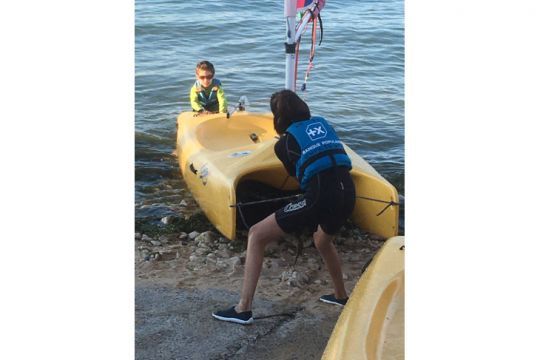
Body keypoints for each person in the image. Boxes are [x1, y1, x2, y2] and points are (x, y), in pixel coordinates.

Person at [212, 89, 356, 325]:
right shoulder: (322, 123)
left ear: (278, 118)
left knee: (256, 234)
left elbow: (299, 177)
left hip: (320, 197)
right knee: (322, 240)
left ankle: (243, 309)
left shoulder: (283, 145)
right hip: (348, 193)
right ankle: (340, 296)